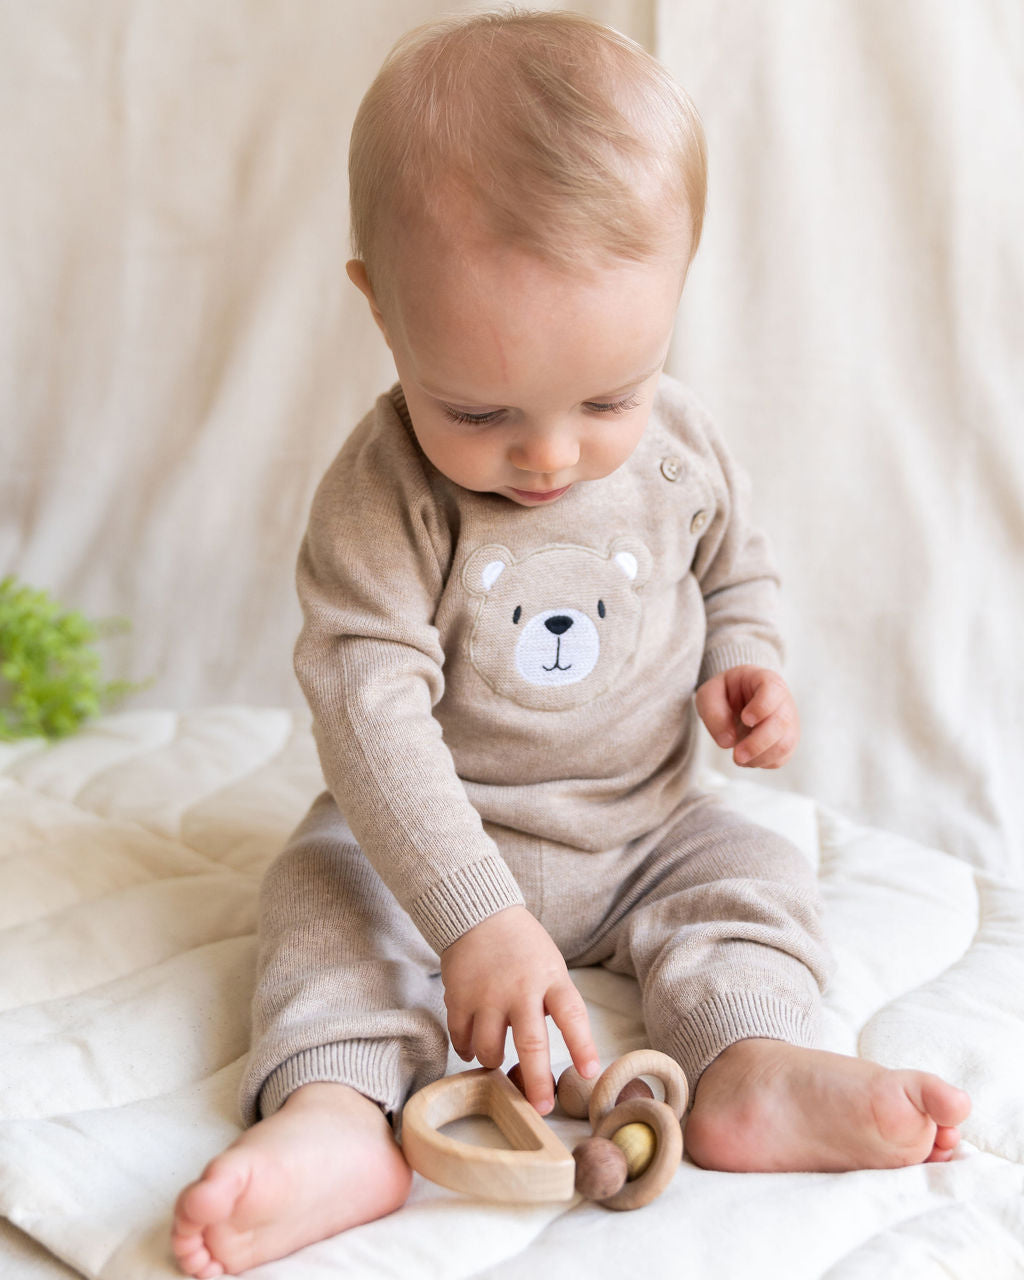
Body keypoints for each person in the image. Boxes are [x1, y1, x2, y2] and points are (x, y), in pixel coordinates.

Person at [171, 10, 971, 1276]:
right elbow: (365, 709)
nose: (548, 454)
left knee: (753, 866)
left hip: (642, 828)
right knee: (318, 897)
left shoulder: (682, 447)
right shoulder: (383, 498)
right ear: (379, 307)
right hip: (437, 843)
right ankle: (337, 1113)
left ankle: (745, 1063)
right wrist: (472, 914)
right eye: (479, 408)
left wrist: (741, 657)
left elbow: (733, 561)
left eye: (609, 395)